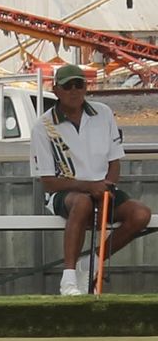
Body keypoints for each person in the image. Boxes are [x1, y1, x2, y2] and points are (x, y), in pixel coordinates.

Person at [30, 64, 152, 295]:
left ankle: (92, 262)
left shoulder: (103, 112)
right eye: (67, 86)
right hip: (64, 193)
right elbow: (48, 181)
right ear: (56, 90)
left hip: (103, 188)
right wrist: (89, 187)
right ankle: (68, 279)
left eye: (80, 84)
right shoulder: (43, 127)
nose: (74, 90)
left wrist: (108, 188)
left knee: (141, 214)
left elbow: (115, 161)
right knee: (83, 203)